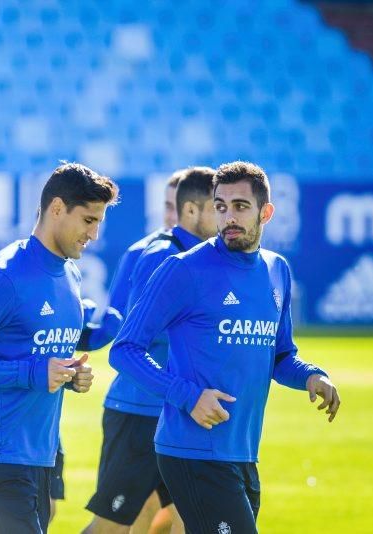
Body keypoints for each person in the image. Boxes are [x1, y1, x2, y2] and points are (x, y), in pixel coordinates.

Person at [111, 161, 340, 533]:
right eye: (221, 206)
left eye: (240, 206)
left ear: (266, 212)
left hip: (243, 451)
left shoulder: (276, 269)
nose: (228, 217)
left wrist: (312, 376)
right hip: (192, 450)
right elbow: (124, 350)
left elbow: (281, 355)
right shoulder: (182, 269)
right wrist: (187, 396)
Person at [0, 163, 118, 533]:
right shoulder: (4, 277)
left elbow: (36, 354)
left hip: (38, 457)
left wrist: (69, 375)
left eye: (99, 222)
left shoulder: (70, 273)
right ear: (58, 208)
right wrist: (32, 373)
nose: (94, 234)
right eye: (88, 220)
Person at [84, 166, 219, 534]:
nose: (226, 216)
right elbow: (133, 334)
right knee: (116, 525)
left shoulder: (211, 258)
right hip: (141, 411)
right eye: (218, 206)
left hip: (184, 412)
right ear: (191, 209)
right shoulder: (159, 255)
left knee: (190, 520)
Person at [78, 171, 181, 351]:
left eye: (180, 208)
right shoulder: (139, 253)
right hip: (153, 374)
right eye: (168, 207)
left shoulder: (224, 256)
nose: (172, 216)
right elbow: (117, 324)